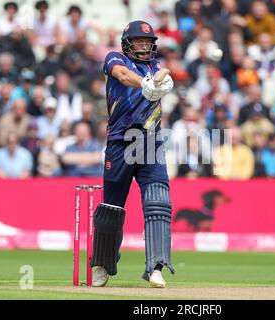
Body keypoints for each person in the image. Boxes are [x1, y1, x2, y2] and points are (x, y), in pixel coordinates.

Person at [90, 20, 174, 289]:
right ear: (127, 42)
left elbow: (163, 78)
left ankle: (156, 267)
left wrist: (162, 83)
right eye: (139, 41)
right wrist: (146, 84)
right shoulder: (114, 58)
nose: (144, 46)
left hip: (150, 143)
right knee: (111, 209)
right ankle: (103, 264)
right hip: (120, 141)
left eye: (148, 43)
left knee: (158, 203)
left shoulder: (156, 68)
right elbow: (124, 76)